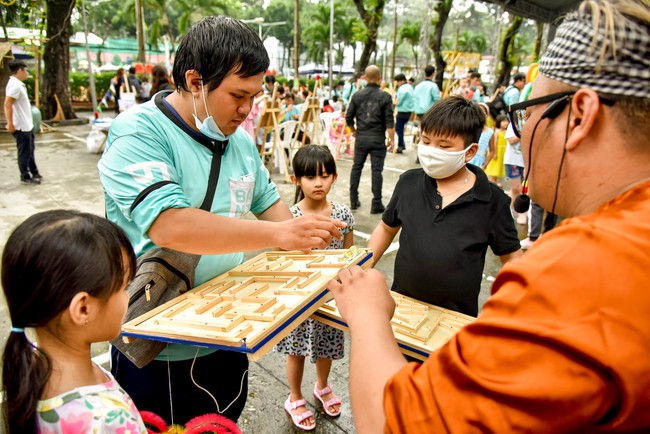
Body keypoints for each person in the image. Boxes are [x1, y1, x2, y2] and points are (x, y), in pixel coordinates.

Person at [329, 0, 650, 431]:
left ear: (579, 117)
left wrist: (367, 315)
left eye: (526, 115)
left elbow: (392, 422)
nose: (522, 135)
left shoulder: (573, 274)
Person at [98, 16, 345, 426]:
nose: (248, 109)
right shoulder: (138, 133)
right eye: (237, 95)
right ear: (195, 81)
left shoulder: (241, 142)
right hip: (158, 342)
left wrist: (315, 252)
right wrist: (280, 234)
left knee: (223, 419)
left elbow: (270, 204)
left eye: (255, 95)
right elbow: (170, 224)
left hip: (228, 331)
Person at [368, 96, 521, 317]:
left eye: (444, 146)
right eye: (426, 141)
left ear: (470, 152)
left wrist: (510, 306)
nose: (431, 151)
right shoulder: (408, 183)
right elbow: (386, 228)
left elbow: (512, 258)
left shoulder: (492, 200)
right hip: (402, 309)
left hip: (455, 320)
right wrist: (363, 265)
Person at [1, 210, 146, 433]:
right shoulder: (106, 420)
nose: (127, 297)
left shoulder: (31, 365)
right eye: (123, 287)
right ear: (83, 308)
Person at [275, 145, 355, 430]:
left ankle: (322, 386)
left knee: (327, 349)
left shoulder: (343, 213)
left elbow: (349, 254)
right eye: (310, 177)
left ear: (334, 176)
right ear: (296, 179)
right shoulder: (290, 218)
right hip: (299, 298)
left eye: (324, 175)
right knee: (294, 350)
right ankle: (294, 396)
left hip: (330, 297)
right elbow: (280, 257)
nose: (318, 182)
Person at [346, 65, 395, 214]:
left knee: (356, 168)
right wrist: (391, 140)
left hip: (361, 137)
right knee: (377, 170)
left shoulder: (357, 95)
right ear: (379, 78)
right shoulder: (385, 96)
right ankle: (376, 203)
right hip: (378, 138)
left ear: (365, 78)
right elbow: (390, 122)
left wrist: (354, 131)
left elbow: (348, 117)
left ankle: (353, 200)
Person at [4, 60, 42, 185]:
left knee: (30, 150)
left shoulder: (18, 84)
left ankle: (34, 171)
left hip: (27, 125)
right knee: (24, 152)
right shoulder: (14, 86)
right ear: (20, 70)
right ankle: (25, 176)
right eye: (26, 70)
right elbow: (7, 104)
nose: (27, 73)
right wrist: (10, 123)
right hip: (20, 126)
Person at [468, 102, 496, 169]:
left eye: (483, 113)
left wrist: (484, 165)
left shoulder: (490, 132)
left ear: (486, 115)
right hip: (466, 161)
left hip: (479, 164)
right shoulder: (469, 128)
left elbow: (492, 151)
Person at [484, 114, 508, 184]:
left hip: (503, 151)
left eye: (507, 121)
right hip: (498, 151)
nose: (506, 123)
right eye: (503, 121)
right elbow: (494, 142)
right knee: (496, 166)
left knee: (500, 165)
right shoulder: (497, 132)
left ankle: (496, 180)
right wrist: (494, 153)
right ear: (498, 122)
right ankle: (494, 180)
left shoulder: (506, 132)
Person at [393, 73, 414, 154]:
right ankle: (402, 144)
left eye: (397, 82)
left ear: (401, 81)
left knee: (399, 129)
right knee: (399, 128)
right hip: (409, 110)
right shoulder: (410, 87)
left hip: (402, 111)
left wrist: (394, 102)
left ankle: (400, 146)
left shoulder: (402, 89)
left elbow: (399, 100)